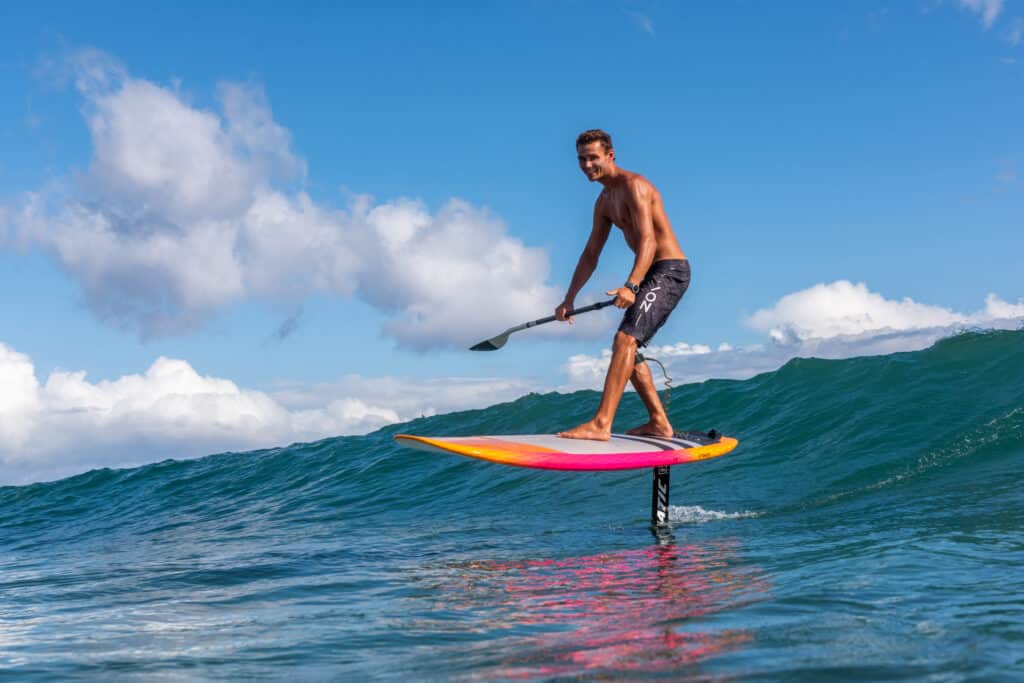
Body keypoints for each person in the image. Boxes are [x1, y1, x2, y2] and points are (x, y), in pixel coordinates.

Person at [556, 129, 691, 440]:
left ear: (610, 156)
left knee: (624, 340)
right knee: (629, 349)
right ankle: (659, 422)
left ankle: (602, 423)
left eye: (593, 158)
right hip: (649, 273)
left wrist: (631, 285)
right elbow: (591, 254)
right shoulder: (603, 202)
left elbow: (649, 239)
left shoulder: (635, 186)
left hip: (669, 270)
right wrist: (569, 298)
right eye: (581, 159)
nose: (587, 165)